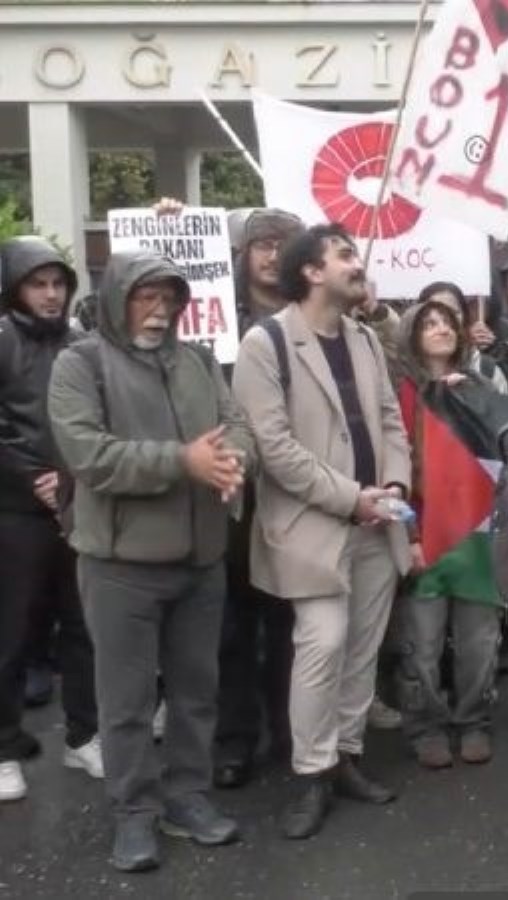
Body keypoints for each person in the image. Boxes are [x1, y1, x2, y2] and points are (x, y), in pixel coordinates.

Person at [49, 249, 256, 872]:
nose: (160, 309)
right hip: (121, 567)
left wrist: (232, 461)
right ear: (117, 297)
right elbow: (89, 454)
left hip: (201, 562)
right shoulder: (80, 362)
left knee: (197, 692)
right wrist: (183, 462)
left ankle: (187, 797)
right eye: (146, 296)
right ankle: (134, 813)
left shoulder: (195, 360)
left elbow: (236, 423)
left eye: (170, 298)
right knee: (127, 699)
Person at [231, 223, 413, 841]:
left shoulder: (364, 338)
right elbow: (274, 448)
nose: (357, 264)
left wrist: (396, 488)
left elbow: (390, 421)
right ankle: (311, 772)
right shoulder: (266, 343)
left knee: (361, 649)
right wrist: (349, 498)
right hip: (313, 526)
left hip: (376, 520)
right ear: (311, 271)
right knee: (323, 643)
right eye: (344, 255)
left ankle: (347, 758)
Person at [0, 237, 101, 802]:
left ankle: (84, 734)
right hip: (15, 513)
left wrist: (70, 480)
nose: (51, 294)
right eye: (38, 283)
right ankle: (5, 745)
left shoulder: (81, 342)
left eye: (58, 283)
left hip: (77, 504)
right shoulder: (1, 342)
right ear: (15, 285)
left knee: (83, 624)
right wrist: (30, 477)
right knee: (11, 632)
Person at [394, 300, 506, 769]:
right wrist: (407, 533)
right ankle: (425, 725)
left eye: (447, 323)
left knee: (479, 639)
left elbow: (505, 447)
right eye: (429, 324)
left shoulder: (479, 385)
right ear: (411, 336)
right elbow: (393, 461)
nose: (441, 330)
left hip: (477, 534)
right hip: (426, 529)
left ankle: (473, 720)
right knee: (423, 642)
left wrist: (474, 399)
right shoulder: (401, 392)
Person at [215, 205, 303, 790]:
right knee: (231, 629)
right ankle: (234, 741)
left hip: (295, 490)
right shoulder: (214, 314)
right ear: (243, 252)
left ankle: (292, 732)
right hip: (229, 495)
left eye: (282, 244)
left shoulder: (311, 318)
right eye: (261, 243)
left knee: (293, 622)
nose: (271, 254)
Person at [417, 281, 508, 394]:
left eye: (453, 312)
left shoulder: (486, 370)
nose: (443, 326)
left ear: (465, 317)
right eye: (434, 316)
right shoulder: (406, 372)